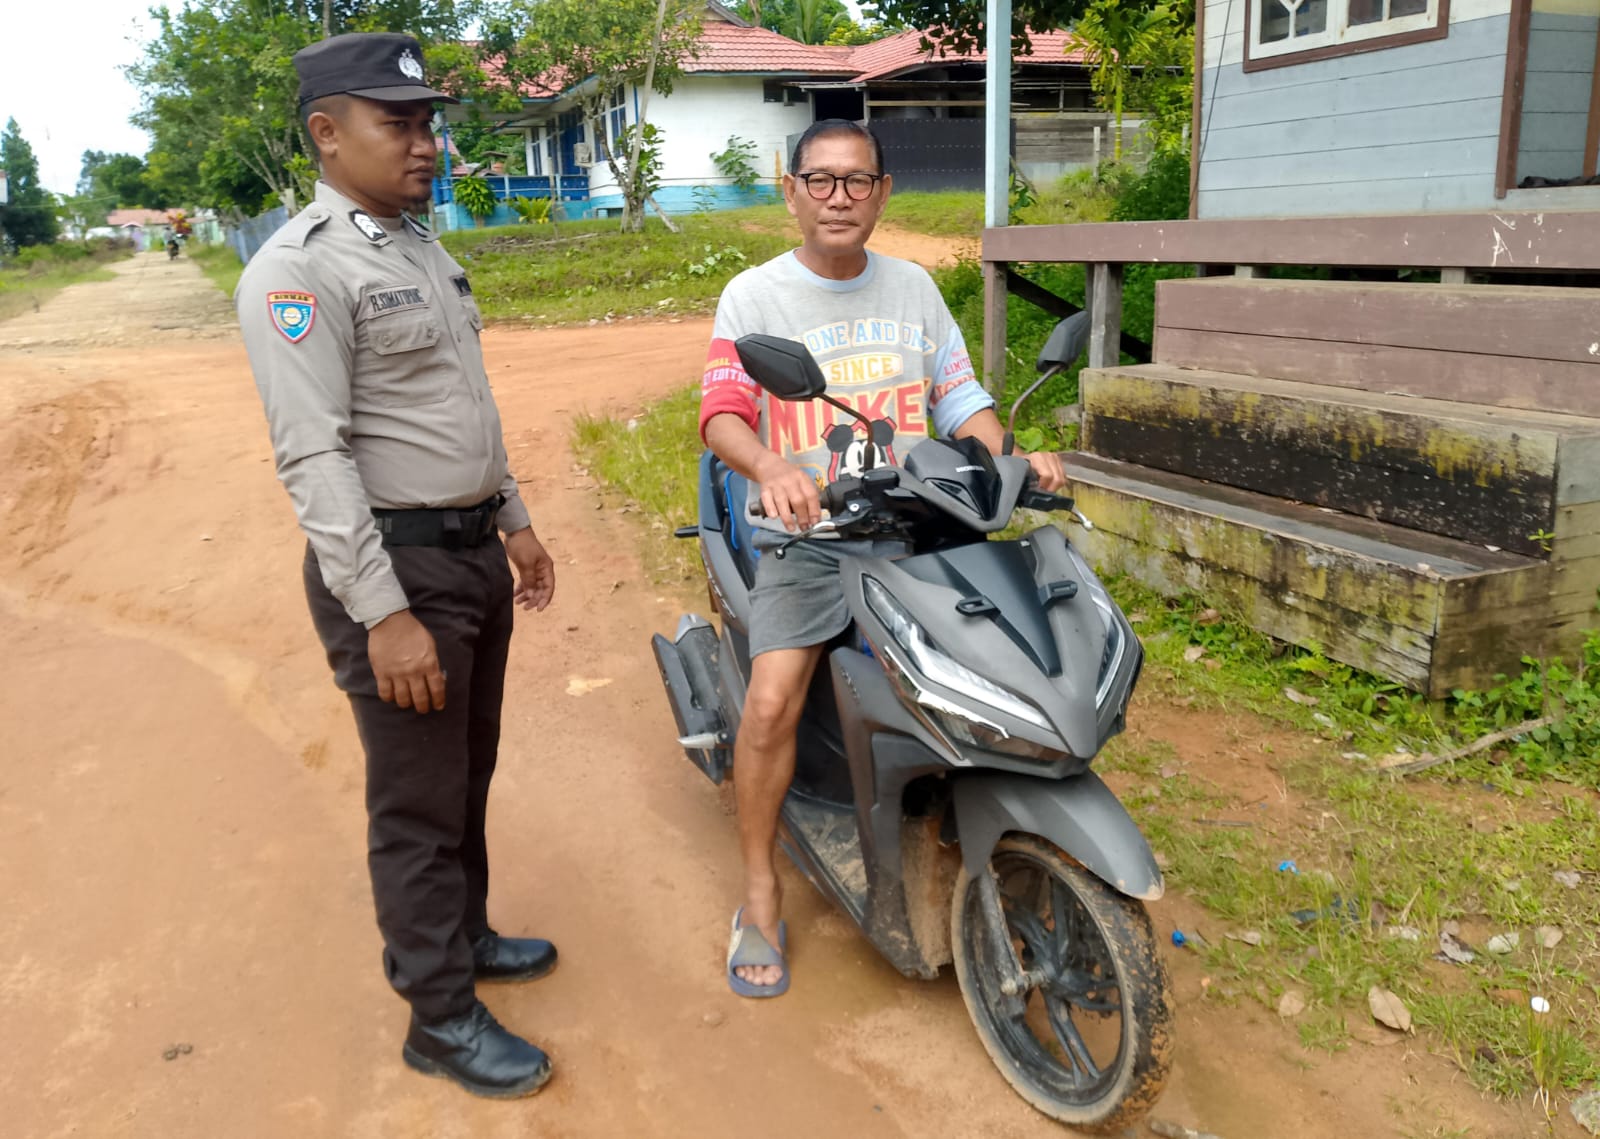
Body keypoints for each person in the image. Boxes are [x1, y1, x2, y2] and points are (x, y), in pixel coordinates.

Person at [235, 32, 558, 1099]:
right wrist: (383, 613)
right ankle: (438, 1016)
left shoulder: (418, 246)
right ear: (327, 134)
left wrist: (513, 516)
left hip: (468, 554)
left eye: (428, 122)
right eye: (398, 123)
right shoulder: (297, 271)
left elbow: (463, 407)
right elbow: (313, 455)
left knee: (466, 772)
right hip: (398, 573)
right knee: (416, 803)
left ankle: (463, 937)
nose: (425, 143)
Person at [699, 119, 1068, 997]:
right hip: (809, 540)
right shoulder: (754, 298)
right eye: (821, 180)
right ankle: (760, 891)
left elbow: (960, 397)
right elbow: (721, 415)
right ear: (791, 190)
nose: (839, 197)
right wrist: (771, 467)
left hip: (917, 526)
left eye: (857, 181)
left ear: (883, 192)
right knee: (772, 701)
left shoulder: (914, 290)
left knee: (1003, 666)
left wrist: (1011, 458)